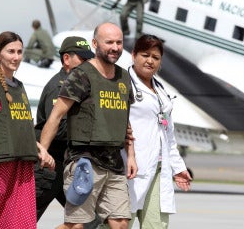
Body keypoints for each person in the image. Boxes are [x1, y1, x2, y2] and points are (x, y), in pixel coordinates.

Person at [39, 22, 138, 229]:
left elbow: (124, 121)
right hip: (85, 161)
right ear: (95, 44)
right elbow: (56, 116)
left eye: (119, 42)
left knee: (120, 223)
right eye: (109, 42)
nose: (115, 47)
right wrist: (43, 150)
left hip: (114, 163)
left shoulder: (124, 78)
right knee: (77, 225)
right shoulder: (81, 75)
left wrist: (131, 156)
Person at [0, 31, 54, 229]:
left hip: (22, 167)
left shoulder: (19, 87)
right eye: (10, 51)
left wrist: (40, 149)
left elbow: (18, 128)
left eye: (19, 52)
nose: (16, 57)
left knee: (21, 224)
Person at [124, 34, 192, 228]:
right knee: (118, 224)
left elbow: (168, 134)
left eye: (155, 57)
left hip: (159, 169)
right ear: (134, 55)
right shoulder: (122, 84)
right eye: (145, 55)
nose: (150, 61)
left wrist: (178, 167)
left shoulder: (161, 90)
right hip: (128, 169)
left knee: (157, 225)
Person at [34, 36, 101, 228]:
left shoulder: (81, 86)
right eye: (83, 59)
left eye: (89, 59)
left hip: (69, 166)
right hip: (49, 167)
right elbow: (59, 128)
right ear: (66, 59)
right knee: (25, 220)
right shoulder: (59, 87)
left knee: (87, 220)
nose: (88, 64)